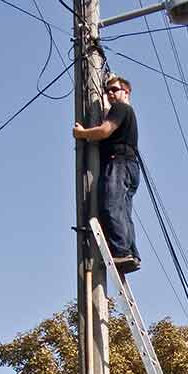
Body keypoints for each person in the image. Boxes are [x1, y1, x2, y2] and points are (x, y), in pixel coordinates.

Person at [72, 74, 141, 273]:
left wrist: (82, 133)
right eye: (107, 90)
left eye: (115, 90)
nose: (110, 93)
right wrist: (104, 90)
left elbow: (104, 130)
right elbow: (106, 113)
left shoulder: (121, 109)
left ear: (126, 92)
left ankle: (121, 252)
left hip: (118, 164)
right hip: (129, 166)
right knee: (122, 211)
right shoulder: (124, 111)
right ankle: (129, 253)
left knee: (110, 205)